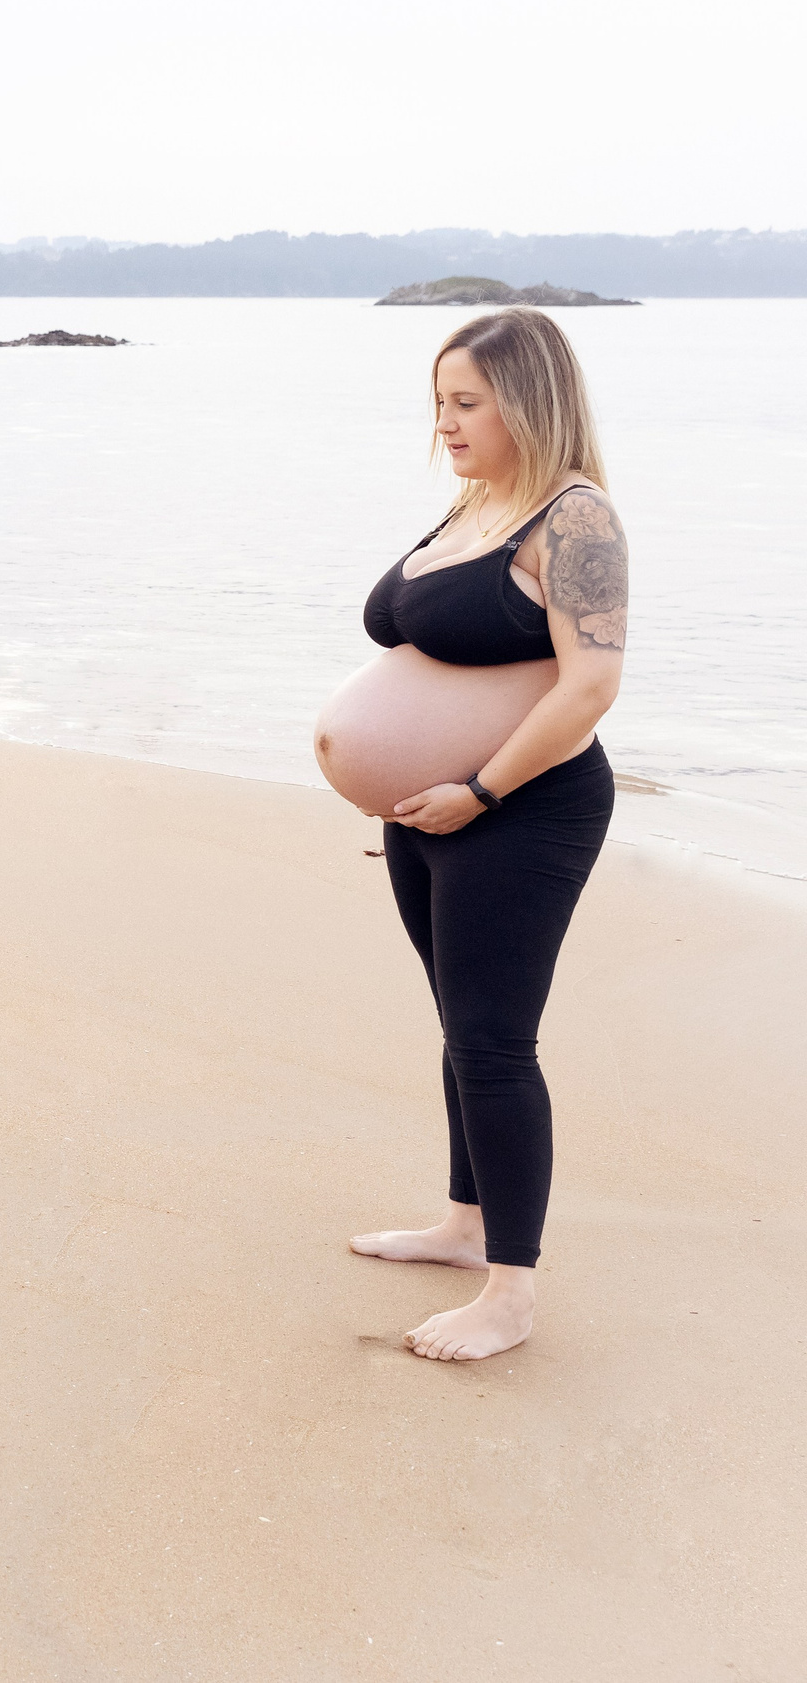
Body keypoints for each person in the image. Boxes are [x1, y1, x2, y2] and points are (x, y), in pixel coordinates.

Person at [348, 307, 629, 1361]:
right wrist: (404, 785)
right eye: (439, 402)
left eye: (466, 403)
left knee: (495, 1043)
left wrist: (476, 787)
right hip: (434, 811)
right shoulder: (475, 504)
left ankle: (509, 1293)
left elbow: (591, 685)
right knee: (461, 1026)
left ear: (528, 402)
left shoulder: (575, 518)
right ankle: (465, 1226)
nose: (445, 424)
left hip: (525, 807)